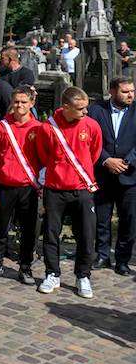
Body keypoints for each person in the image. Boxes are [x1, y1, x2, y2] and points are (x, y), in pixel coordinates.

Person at [36, 87, 102, 298]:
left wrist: (78, 175)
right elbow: (44, 155)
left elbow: (94, 153)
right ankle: (52, 273)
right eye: (80, 108)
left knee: (86, 234)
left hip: (82, 189)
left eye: (86, 107)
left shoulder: (91, 126)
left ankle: (83, 275)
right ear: (66, 107)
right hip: (55, 190)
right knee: (51, 233)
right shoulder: (47, 128)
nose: (85, 112)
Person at [0, 86, 41, 285]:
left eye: (24, 102)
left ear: (32, 103)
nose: (19, 106)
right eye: (16, 101)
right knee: (1, 226)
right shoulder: (1, 127)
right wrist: (7, 170)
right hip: (6, 185)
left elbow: (42, 157)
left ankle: (25, 266)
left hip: (28, 187)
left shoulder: (38, 129)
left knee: (28, 229)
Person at [88, 77, 136, 275]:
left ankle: (123, 260)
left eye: (132, 91)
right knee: (102, 217)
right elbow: (90, 140)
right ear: (112, 91)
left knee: (129, 220)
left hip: (130, 175)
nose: (130, 95)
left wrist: (127, 162)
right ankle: (102, 255)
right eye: (125, 91)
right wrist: (106, 160)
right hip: (103, 174)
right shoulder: (96, 110)